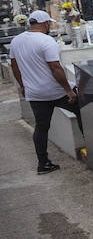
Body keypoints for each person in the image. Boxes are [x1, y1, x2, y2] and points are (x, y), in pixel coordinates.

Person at [9, 10, 78, 174]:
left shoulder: (16, 41)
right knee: (83, 112)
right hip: (55, 91)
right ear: (45, 23)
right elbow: (55, 67)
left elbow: (14, 66)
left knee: (41, 127)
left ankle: (43, 164)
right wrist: (68, 90)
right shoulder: (46, 41)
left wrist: (23, 86)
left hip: (35, 93)